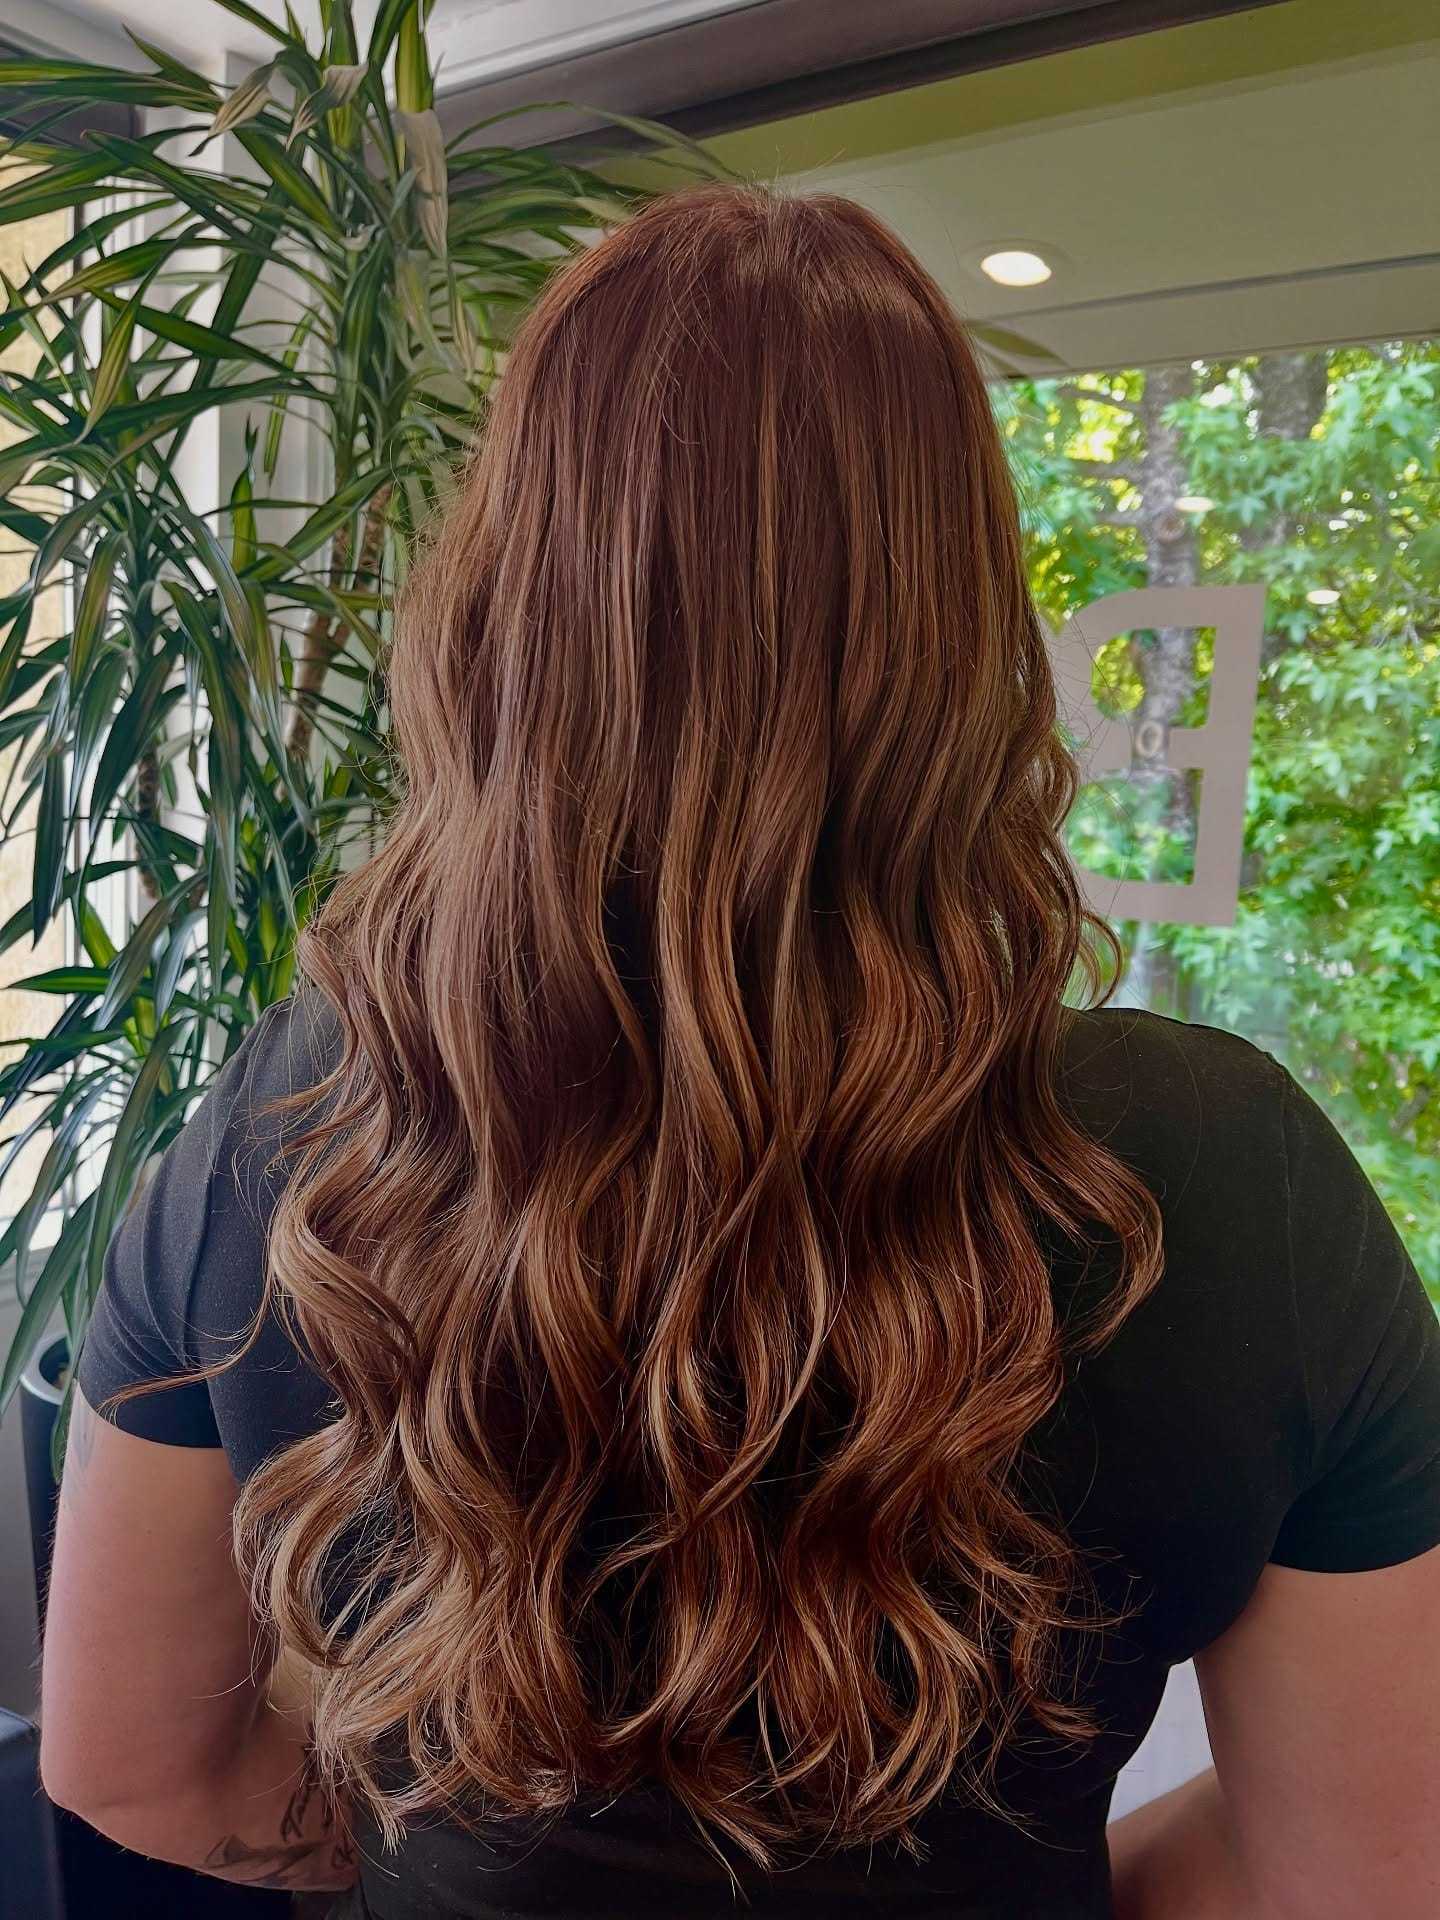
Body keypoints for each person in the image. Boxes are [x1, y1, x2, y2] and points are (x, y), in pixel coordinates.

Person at [39, 184, 1440, 1920]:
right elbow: (1360, 1872)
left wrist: (421, 1868)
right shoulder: (1223, 1179)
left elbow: (127, 1762)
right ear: (964, 627)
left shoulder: (299, 1122)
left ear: (502, 608)